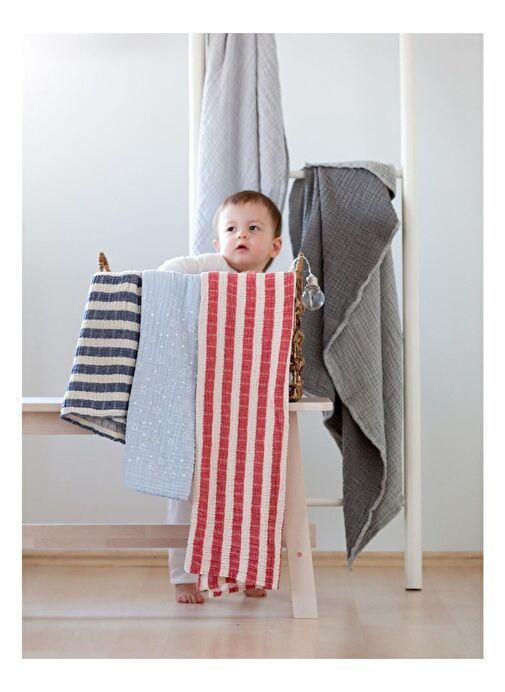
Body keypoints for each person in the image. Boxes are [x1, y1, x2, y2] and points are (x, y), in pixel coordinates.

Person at [158, 189, 283, 603]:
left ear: (274, 246)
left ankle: (247, 569)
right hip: (195, 398)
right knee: (187, 490)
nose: (240, 235)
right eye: (231, 229)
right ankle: (184, 576)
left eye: (253, 228)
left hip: (245, 403)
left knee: (248, 488)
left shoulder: (274, 289)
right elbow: (167, 271)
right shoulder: (208, 268)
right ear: (217, 242)